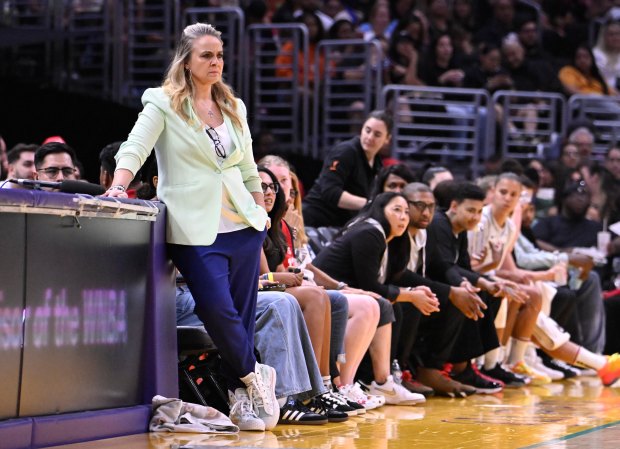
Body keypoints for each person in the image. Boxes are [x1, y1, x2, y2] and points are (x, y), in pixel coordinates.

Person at [103, 23, 278, 432]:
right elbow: (136, 146)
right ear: (186, 60)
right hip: (193, 227)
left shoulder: (233, 105)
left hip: (243, 225)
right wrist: (117, 186)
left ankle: (239, 394)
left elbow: (248, 166)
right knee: (216, 309)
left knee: (242, 314)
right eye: (206, 55)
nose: (216, 62)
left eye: (219, 55)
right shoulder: (163, 103)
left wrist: (259, 207)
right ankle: (256, 375)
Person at [302, 110, 392, 228]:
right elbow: (330, 191)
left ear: (387, 139)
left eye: (377, 134)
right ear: (362, 129)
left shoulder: (378, 164)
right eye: (367, 130)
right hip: (313, 222)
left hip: (338, 226)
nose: (370, 137)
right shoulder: (345, 151)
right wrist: (369, 204)